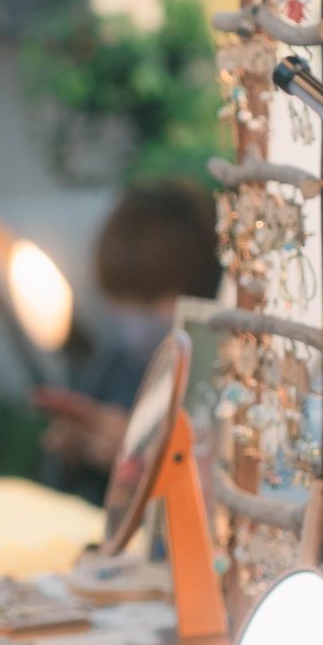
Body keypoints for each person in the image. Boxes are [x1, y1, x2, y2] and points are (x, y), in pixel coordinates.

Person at [35, 178, 222, 486]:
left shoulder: (215, 382)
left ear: (197, 287)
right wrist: (71, 450)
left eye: (149, 301)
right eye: (121, 300)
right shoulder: (111, 369)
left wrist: (145, 458)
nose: (134, 318)